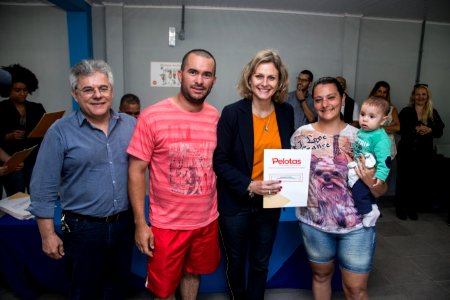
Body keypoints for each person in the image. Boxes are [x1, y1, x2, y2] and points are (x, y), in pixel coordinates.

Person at [29, 59, 137, 300]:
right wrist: (47, 234)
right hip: (82, 229)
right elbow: (42, 186)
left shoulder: (131, 125)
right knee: (83, 291)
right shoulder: (60, 131)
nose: (97, 95)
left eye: (103, 88)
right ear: (75, 94)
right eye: (88, 89)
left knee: (118, 288)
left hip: (123, 225)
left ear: (111, 90)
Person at [127, 49, 220, 300]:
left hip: (206, 221)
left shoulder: (216, 118)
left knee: (193, 274)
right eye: (193, 72)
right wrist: (140, 223)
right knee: (163, 289)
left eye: (206, 74)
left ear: (214, 80)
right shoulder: (152, 116)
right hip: (167, 225)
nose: (199, 80)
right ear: (180, 74)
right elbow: (136, 171)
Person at [291, 77, 387, 299]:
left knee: (355, 289)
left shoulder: (361, 138)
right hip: (313, 223)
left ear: (343, 98)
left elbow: (380, 191)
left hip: (356, 227)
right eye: (318, 99)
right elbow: (291, 177)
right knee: (321, 277)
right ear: (313, 103)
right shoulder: (300, 136)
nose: (325, 105)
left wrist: (371, 179)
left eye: (331, 97)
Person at [213, 49, 294, 300]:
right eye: (259, 76)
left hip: (269, 202)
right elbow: (220, 161)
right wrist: (249, 185)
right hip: (236, 202)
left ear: (279, 82)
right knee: (236, 263)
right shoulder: (232, 113)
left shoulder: (286, 112)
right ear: (249, 79)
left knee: (260, 263)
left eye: (271, 77)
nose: (264, 83)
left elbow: (287, 155)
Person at [395, 83, 444, 220]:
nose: (420, 97)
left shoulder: (433, 112)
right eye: (418, 94)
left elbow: (440, 130)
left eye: (423, 94)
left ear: (427, 96)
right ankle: (401, 208)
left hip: (423, 153)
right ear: (413, 96)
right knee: (403, 180)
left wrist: (430, 130)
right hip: (406, 151)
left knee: (417, 181)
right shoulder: (406, 111)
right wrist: (413, 129)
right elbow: (398, 129)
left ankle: (412, 208)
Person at [0, 64, 45, 196]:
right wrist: (9, 136)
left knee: (37, 195)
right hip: (12, 161)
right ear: (8, 90)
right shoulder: (1, 109)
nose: (22, 93)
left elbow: (44, 130)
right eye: (17, 90)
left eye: (25, 90)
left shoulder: (36, 107)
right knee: (16, 198)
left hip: (33, 158)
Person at [348, 97, 391, 227]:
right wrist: (353, 154)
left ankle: (369, 213)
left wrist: (380, 177)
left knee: (359, 193)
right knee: (361, 192)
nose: (365, 119)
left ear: (383, 120)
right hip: (360, 164)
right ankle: (373, 208)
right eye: (362, 114)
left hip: (370, 171)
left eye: (372, 116)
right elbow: (360, 147)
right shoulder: (363, 131)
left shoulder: (380, 138)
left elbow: (385, 161)